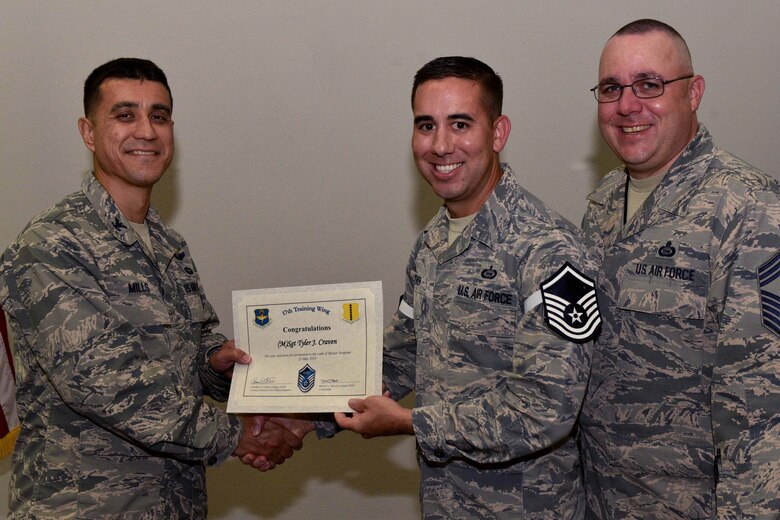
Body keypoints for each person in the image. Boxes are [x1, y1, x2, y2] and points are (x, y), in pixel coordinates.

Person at [0, 58, 304, 518]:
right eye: (125, 115)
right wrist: (240, 436)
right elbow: (110, 386)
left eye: (158, 116)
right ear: (88, 132)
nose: (146, 131)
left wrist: (216, 365)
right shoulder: (52, 245)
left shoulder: (168, 245)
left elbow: (190, 347)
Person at [331, 56, 601, 518]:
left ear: (497, 133)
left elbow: (546, 407)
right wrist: (302, 413)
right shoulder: (432, 243)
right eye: (426, 125)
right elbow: (402, 355)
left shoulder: (549, 250)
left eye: (460, 124)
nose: (440, 145)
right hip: (446, 503)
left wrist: (410, 424)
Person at [579, 19, 780, 518]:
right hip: (599, 501)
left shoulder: (750, 209)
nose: (628, 105)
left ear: (693, 92)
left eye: (649, 84)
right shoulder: (603, 204)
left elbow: (762, 412)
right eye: (611, 88)